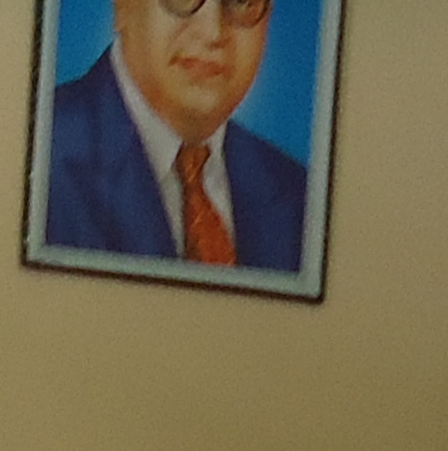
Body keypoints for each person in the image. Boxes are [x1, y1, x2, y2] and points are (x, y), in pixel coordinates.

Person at [37, 0, 310, 273]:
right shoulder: (37, 157)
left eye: (240, 0)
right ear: (122, 7)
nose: (213, 32)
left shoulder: (302, 198)